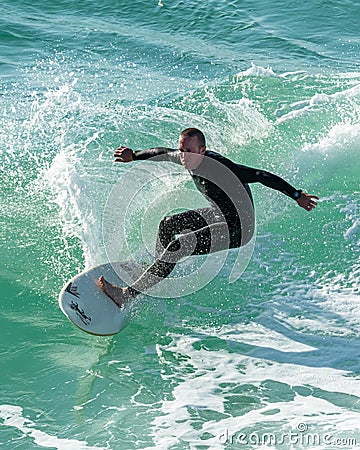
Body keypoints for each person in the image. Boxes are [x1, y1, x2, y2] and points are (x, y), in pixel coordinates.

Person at [97, 128, 318, 307]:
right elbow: (162, 152)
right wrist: (133, 155)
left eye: (190, 151)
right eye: (181, 150)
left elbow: (261, 176)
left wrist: (296, 195)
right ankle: (157, 270)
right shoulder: (186, 158)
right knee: (168, 224)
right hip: (217, 214)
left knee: (177, 246)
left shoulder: (220, 168)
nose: (183, 156)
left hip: (238, 229)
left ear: (203, 151)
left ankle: (126, 294)